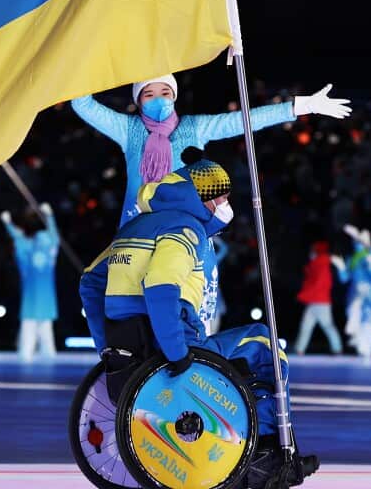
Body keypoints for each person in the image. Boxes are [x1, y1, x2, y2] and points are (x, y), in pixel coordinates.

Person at [79, 155, 318, 488]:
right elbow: (160, 285)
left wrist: (106, 347)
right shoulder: (184, 228)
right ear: (201, 197)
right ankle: (268, 456)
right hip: (175, 345)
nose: (225, 203)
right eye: (221, 197)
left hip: (130, 350)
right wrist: (177, 353)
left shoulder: (134, 228)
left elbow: (90, 281)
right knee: (265, 345)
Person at [72, 75, 350, 227]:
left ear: (175, 96)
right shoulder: (128, 129)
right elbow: (82, 104)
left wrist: (296, 107)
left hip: (184, 228)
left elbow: (242, 120)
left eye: (165, 92)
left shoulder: (195, 127)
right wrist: (93, 61)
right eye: (149, 94)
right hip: (137, 229)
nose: (158, 99)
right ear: (138, 100)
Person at [0, 203, 60, 362]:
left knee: (30, 345)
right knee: (44, 342)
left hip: (33, 303)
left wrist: (8, 223)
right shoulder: (46, 250)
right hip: (42, 303)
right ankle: (44, 363)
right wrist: (49, 216)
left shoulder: (29, 249)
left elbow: (18, 237)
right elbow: (54, 237)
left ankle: (30, 361)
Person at [293, 240, 344, 355]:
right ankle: (300, 349)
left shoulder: (321, 263)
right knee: (307, 325)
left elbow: (318, 284)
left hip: (320, 301)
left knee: (326, 326)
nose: (310, 252)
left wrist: (302, 296)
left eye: (313, 250)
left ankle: (337, 349)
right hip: (315, 301)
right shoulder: (316, 264)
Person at [340, 225, 371, 359]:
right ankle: (362, 348)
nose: (357, 244)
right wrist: (341, 268)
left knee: (368, 322)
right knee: (354, 318)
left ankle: (369, 349)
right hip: (355, 294)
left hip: (369, 294)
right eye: (356, 241)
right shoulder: (351, 258)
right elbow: (345, 278)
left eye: (360, 241)